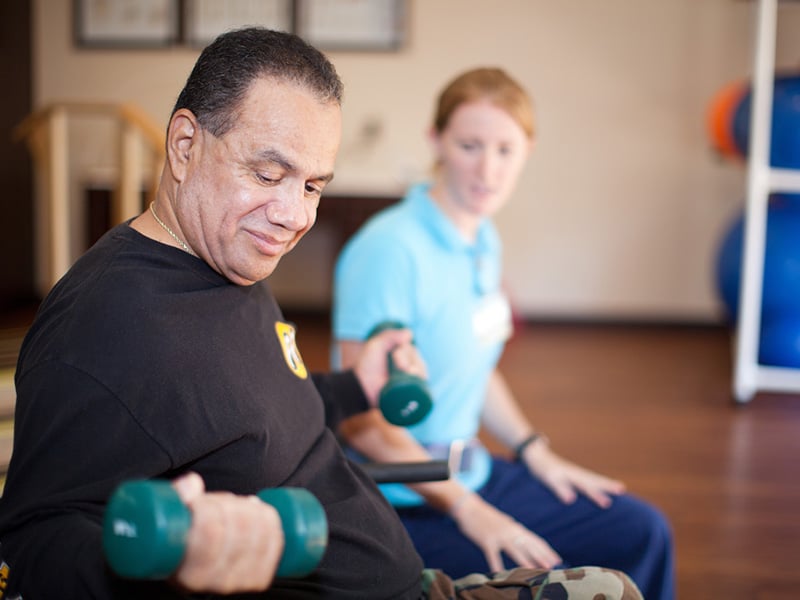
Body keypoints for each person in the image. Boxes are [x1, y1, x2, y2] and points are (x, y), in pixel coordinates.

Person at [0, 29, 644, 600]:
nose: (294, 216)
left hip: (409, 576)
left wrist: (353, 388)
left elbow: (258, 409)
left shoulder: (228, 261)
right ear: (185, 144)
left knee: (616, 583)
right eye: (268, 172)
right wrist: (174, 565)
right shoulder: (105, 328)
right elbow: (33, 546)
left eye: (312, 186)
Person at [332, 67, 676, 600]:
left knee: (643, 531)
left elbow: (477, 366)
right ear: (436, 140)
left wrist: (536, 451)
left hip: (471, 470)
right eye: (469, 145)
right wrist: (471, 512)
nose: (487, 170)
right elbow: (363, 423)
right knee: (573, 562)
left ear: (527, 151)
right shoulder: (389, 250)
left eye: (505, 150)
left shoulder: (482, 236)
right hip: (404, 502)